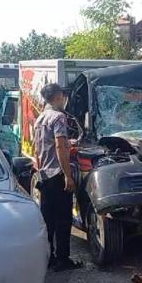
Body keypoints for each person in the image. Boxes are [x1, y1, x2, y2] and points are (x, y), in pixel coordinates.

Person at [34, 83, 82, 271]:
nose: (64, 98)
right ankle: (63, 259)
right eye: (63, 95)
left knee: (48, 220)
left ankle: (48, 258)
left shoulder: (41, 119)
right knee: (63, 220)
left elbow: (41, 147)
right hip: (57, 175)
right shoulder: (59, 117)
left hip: (44, 175)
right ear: (58, 96)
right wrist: (68, 177)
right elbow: (60, 146)